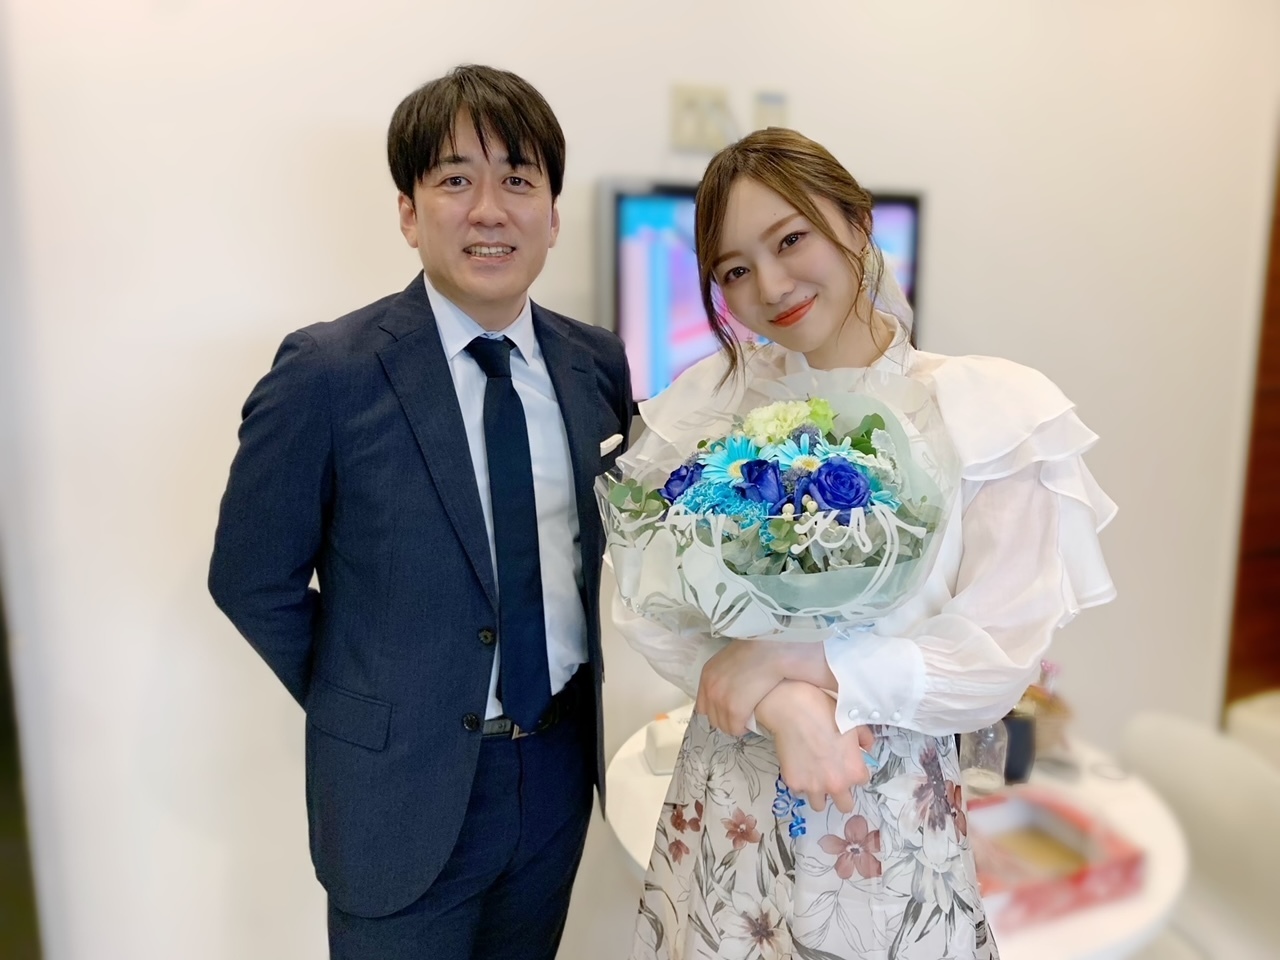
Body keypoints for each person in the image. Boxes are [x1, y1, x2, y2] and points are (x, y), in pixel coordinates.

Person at [613, 127, 1116, 960]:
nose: (770, 286)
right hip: (730, 804)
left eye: (790, 240)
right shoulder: (713, 403)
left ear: (856, 220)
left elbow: (993, 663)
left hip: (884, 822)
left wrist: (797, 660)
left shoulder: (983, 410)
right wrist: (779, 704)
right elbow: (647, 601)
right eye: (734, 271)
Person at [209, 64, 632, 960]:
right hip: (397, 795)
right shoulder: (328, 373)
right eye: (455, 180)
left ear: (553, 214)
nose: (490, 210)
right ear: (409, 211)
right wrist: (376, 703)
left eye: (518, 180)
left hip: (556, 771)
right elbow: (251, 578)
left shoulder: (595, 363)